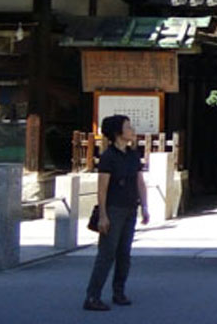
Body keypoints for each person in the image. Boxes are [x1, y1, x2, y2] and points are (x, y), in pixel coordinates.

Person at [84, 114, 149, 311]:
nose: (132, 129)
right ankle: (92, 296)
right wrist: (103, 214)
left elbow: (140, 181)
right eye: (128, 127)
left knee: (124, 254)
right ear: (118, 133)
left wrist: (144, 206)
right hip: (113, 209)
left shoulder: (132, 155)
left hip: (130, 208)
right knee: (106, 253)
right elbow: (102, 188)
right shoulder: (108, 157)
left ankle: (118, 291)